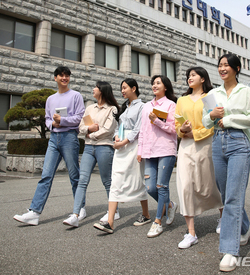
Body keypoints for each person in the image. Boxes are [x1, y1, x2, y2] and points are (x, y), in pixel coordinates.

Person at [202, 54, 250, 272]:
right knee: (226, 194)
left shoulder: (247, 92)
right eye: (220, 65)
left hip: (238, 141)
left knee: (234, 196)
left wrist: (228, 119)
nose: (222, 68)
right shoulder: (213, 93)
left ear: (236, 68)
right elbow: (206, 121)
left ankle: (229, 250)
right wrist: (212, 115)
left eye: (226, 65)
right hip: (217, 142)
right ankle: (244, 228)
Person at [14, 66, 85, 225]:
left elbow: (80, 118)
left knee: (74, 175)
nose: (64, 78)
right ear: (55, 78)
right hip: (54, 138)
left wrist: (63, 121)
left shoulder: (76, 96)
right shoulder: (50, 99)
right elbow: (47, 119)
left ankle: (80, 208)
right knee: (46, 175)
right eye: (61, 75)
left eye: (67, 75)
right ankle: (35, 212)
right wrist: (53, 124)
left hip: (69, 137)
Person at [94, 78, 150, 234]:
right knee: (116, 179)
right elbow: (120, 126)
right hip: (121, 147)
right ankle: (110, 222)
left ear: (134, 88)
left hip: (133, 146)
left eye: (125, 88)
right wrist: (116, 138)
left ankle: (146, 214)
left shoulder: (142, 107)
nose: (122, 91)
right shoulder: (125, 106)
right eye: (121, 88)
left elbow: (138, 129)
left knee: (137, 180)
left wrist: (124, 141)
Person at [175, 67, 223, 249]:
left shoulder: (210, 97)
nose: (190, 78)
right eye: (188, 76)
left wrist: (194, 132)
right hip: (186, 146)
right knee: (185, 184)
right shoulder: (181, 100)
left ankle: (222, 217)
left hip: (205, 144)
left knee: (210, 183)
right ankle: (191, 232)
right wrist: (183, 130)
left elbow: (214, 123)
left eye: (193, 75)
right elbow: (176, 123)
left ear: (203, 78)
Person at [63, 81, 119, 228]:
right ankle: (75, 215)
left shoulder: (112, 109)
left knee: (107, 181)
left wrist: (90, 133)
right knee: (82, 180)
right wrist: (89, 130)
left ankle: (115, 211)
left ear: (102, 91)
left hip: (104, 147)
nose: (93, 89)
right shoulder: (90, 108)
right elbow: (82, 127)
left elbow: (108, 130)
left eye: (96, 87)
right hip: (88, 148)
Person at [137, 75, 178, 238]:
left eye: (158, 83)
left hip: (165, 150)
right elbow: (142, 130)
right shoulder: (146, 106)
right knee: (150, 187)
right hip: (149, 151)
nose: (154, 86)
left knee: (162, 186)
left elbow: (174, 129)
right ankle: (170, 204)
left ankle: (157, 222)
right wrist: (140, 150)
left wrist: (158, 121)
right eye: (153, 83)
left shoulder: (171, 105)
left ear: (165, 87)